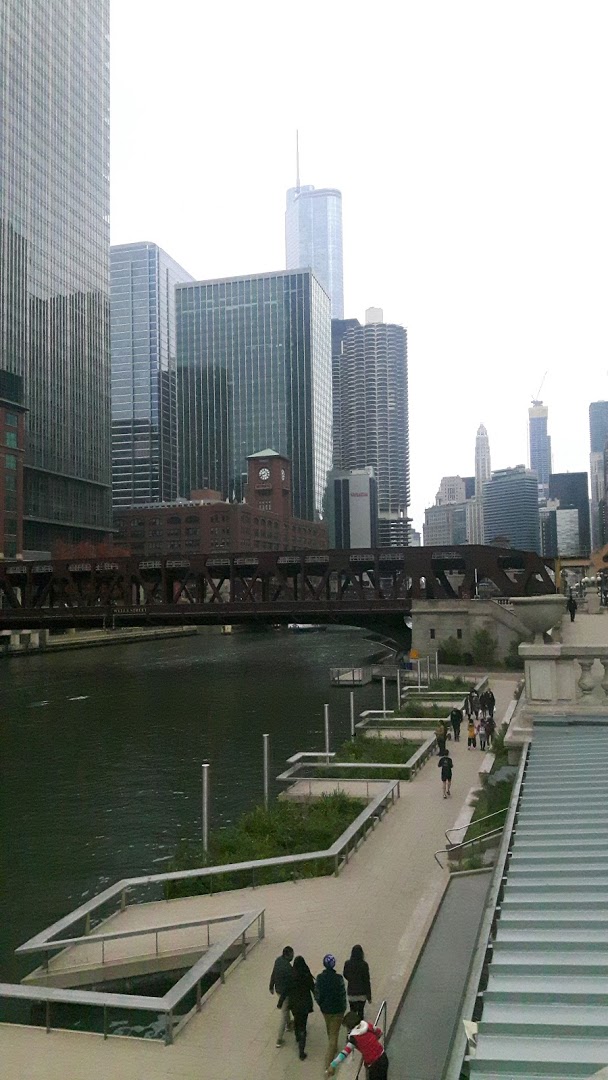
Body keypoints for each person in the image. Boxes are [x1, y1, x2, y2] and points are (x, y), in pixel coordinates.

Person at [327, 1011, 389, 1079]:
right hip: (383, 1057)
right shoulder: (368, 1026)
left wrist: (333, 1065)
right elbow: (379, 1033)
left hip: (374, 1065)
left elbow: (344, 1053)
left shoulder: (354, 1038)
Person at [315, 954, 347, 1072]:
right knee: (334, 1034)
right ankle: (329, 1065)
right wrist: (343, 1007)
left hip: (326, 1010)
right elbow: (342, 994)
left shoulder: (320, 978)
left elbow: (317, 994)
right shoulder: (338, 978)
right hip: (338, 1010)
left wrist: (321, 1005)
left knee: (329, 1028)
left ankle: (333, 1046)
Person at [282, 955, 315, 1061]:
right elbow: (313, 988)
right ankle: (301, 1050)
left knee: (296, 1019)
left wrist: (280, 1002)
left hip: (294, 1004)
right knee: (303, 1025)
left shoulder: (291, 975)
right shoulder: (306, 975)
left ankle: (297, 1035)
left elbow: (285, 989)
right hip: (305, 1004)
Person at [269, 945, 294, 1047]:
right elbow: (290, 984)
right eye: (292, 955)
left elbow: (273, 973)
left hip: (278, 990)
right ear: (287, 955)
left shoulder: (278, 960)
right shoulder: (288, 968)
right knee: (284, 1013)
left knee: (286, 1009)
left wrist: (271, 986)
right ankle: (279, 1039)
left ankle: (289, 1024)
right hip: (285, 993)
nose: (292, 957)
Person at [343, 945, 372, 1020]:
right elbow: (366, 981)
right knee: (361, 1011)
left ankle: (353, 1025)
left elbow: (345, 974)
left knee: (352, 1012)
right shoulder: (364, 965)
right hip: (362, 994)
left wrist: (351, 979)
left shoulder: (347, 963)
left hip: (351, 993)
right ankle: (360, 1024)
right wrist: (369, 996)